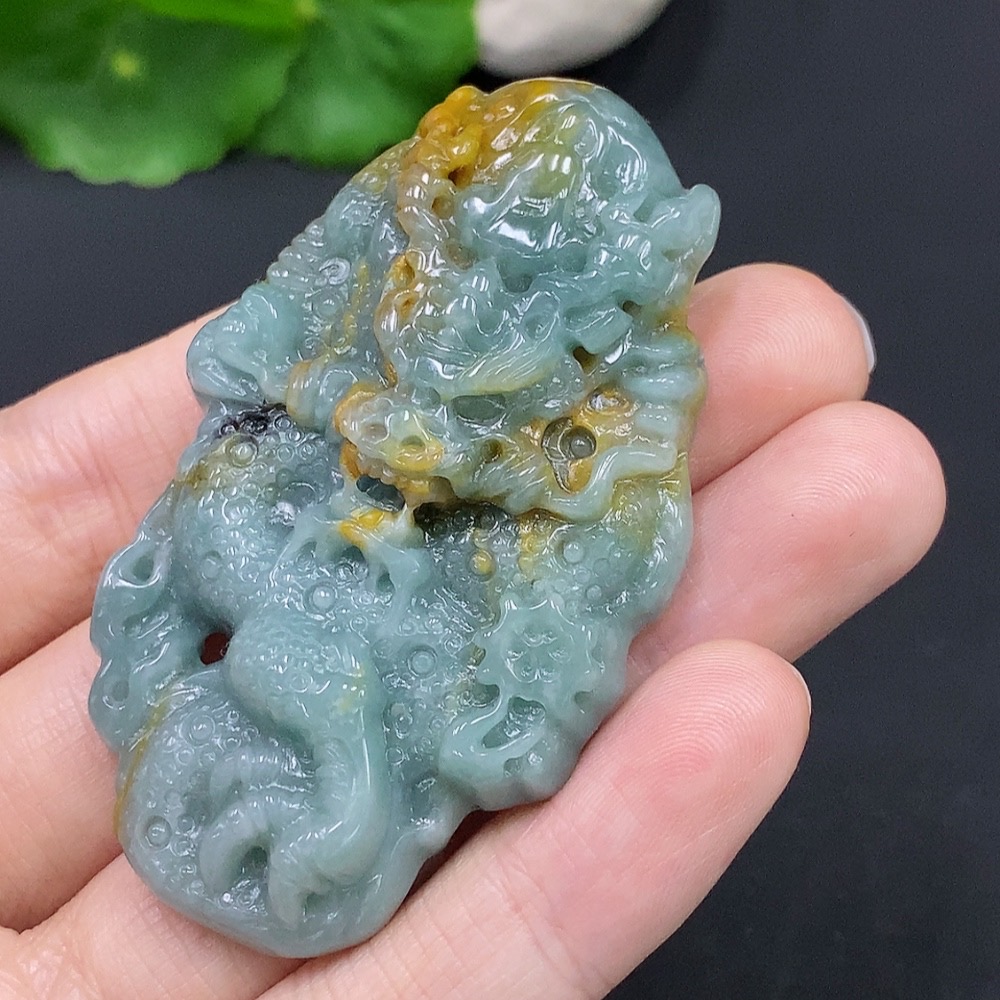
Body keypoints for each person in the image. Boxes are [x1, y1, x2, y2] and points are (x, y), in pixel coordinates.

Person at [0, 263, 944, 999]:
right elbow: (264, 411)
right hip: (307, 560)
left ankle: (343, 794)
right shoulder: (336, 357)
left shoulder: (604, 438)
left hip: (405, 619)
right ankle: (339, 789)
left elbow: (580, 558)